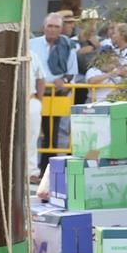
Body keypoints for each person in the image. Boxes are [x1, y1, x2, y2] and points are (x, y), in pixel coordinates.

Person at [29, 11, 79, 152]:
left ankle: (46, 167)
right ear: (44, 27)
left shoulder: (68, 45)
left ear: (61, 29)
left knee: (52, 134)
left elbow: (71, 71)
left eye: (56, 27)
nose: (52, 29)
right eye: (50, 26)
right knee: (31, 132)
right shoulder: (31, 44)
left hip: (56, 94)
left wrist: (63, 80)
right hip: (33, 94)